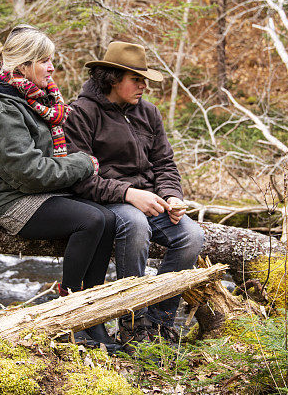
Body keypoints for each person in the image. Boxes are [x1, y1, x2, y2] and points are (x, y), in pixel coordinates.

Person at [0, 25, 118, 348]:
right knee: (90, 221)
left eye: (51, 60)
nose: (52, 67)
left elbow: (43, 161)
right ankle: (68, 316)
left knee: (107, 219)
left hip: (35, 191)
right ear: (23, 66)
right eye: (45, 61)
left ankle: (94, 319)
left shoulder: (33, 97)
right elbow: (30, 172)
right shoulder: (1, 110)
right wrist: (81, 164)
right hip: (9, 199)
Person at [64, 41, 205, 344]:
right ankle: (133, 322)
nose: (144, 86)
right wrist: (128, 193)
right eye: (137, 79)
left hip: (152, 199)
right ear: (113, 78)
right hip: (107, 201)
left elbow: (165, 163)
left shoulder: (149, 113)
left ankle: (159, 322)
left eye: (145, 80)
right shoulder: (81, 113)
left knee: (192, 237)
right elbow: (81, 177)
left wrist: (171, 196)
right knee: (136, 224)